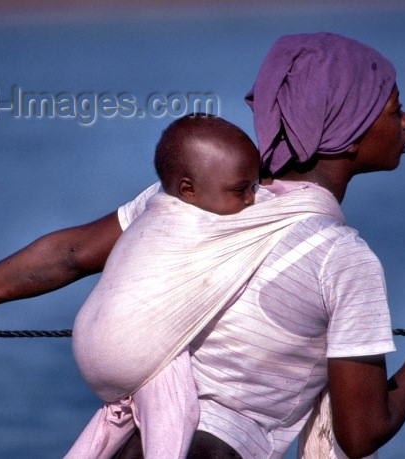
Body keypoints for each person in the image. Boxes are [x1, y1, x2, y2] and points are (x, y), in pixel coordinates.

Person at [0, 33, 405, 459]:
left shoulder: (190, 203)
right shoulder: (343, 258)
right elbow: (361, 433)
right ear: (350, 131)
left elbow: (69, 255)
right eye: (394, 110)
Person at [68, 113, 261, 458]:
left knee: (114, 420)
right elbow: (291, 212)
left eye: (255, 187)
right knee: (175, 415)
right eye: (240, 190)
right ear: (188, 189)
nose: (251, 200)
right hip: (134, 349)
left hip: (87, 344)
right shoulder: (203, 223)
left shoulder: (150, 213)